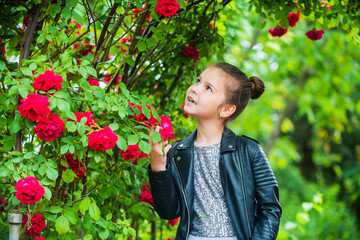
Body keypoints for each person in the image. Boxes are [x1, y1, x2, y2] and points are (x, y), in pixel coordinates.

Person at [148, 62, 282, 240]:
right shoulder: (177, 152)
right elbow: (168, 211)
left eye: (208, 88)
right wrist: (158, 167)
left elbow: (270, 209)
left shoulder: (249, 151)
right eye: (198, 81)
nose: (195, 89)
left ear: (226, 109)